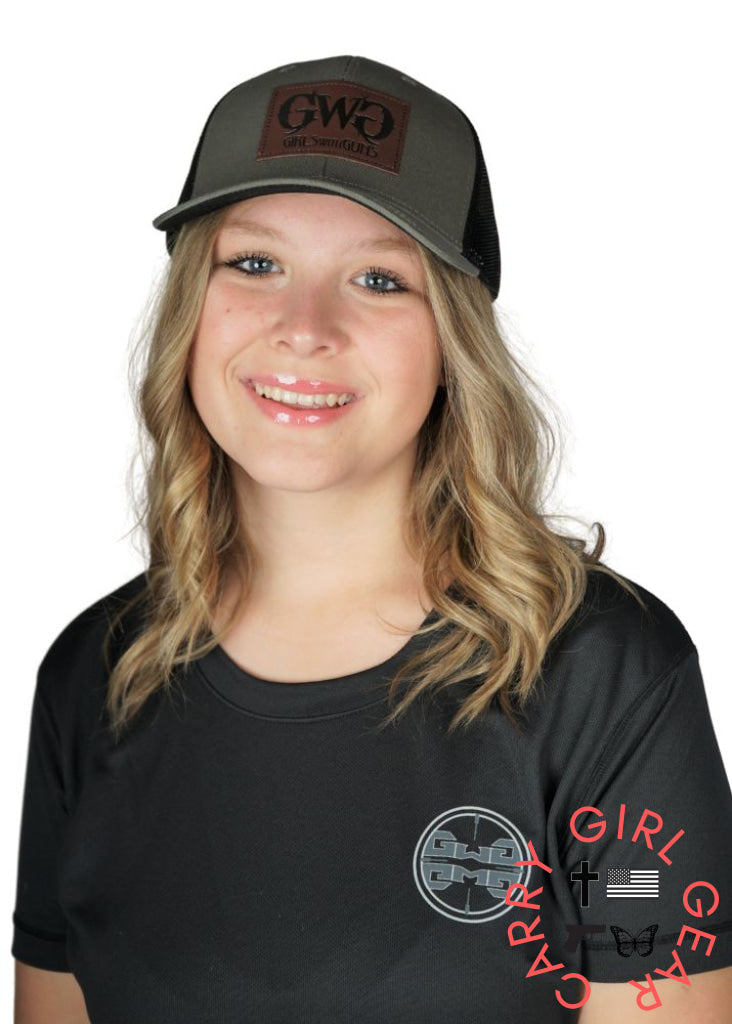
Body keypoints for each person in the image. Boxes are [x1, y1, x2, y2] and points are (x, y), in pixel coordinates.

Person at [12, 55, 732, 1024]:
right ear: (191, 309)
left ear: (453, 345)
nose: (304, 327)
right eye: (254, 263)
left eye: (380, 278)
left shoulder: (603, 676)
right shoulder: (93, 678)